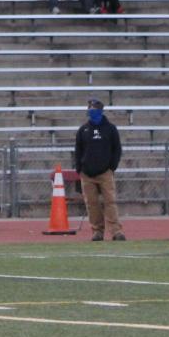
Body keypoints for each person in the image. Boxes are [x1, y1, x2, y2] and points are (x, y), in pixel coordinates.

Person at [73, 98, 125, 242]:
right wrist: (80, 168)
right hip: (87, 173)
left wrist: (111, 167)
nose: (92, 113)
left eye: (94, 110)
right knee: (92, 204)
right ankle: (97, 231)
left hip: (105, 172)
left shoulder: (110, 129)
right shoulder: (83, 130)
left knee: (110, 202)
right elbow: (78, 150)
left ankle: (116, 231)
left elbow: (117, 149)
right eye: (90, 110)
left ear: (101, 111)